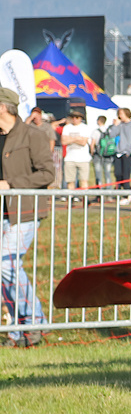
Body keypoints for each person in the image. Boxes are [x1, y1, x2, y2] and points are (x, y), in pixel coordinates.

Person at [0, 87, 57, 346]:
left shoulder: (32, 135)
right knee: (4, 270)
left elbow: (47, 174)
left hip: (25, 211)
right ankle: (17, 330)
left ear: (3, 107)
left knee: (7, 265)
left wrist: (12, 183)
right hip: (4, 212)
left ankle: (35, 321)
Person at [59, 108, 95, 195]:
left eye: (77, 117)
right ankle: (71, 198)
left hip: (83, 159)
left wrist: (70, 139)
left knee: (83, 181)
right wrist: (77, 139)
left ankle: (84, 200)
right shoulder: (67, 128)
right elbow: (64, 141)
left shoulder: (85, 128)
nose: (75, 119)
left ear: (81, 118)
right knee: (70, 181)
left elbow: (83, 142)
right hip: (70, 158)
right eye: (73, 117)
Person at [108, 107, 131, 198]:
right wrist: (115, 125)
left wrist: (130, 150)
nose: (119, 116)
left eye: (121, 114)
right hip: (119, 152)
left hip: (128, 152)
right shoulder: (120, 125)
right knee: (117, 173)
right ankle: (120, 190)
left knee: (126, 174)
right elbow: (112, 134)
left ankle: (127, 193)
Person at [92, 113, 114, 188]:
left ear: (99, 121)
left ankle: (100, 190)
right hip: (108, 155)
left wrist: (92, 153)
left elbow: (93, 143)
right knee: (107, 173)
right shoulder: (109, 131)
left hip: (98, 155)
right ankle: (109, 189)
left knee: (98, 173)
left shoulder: (96, 131)